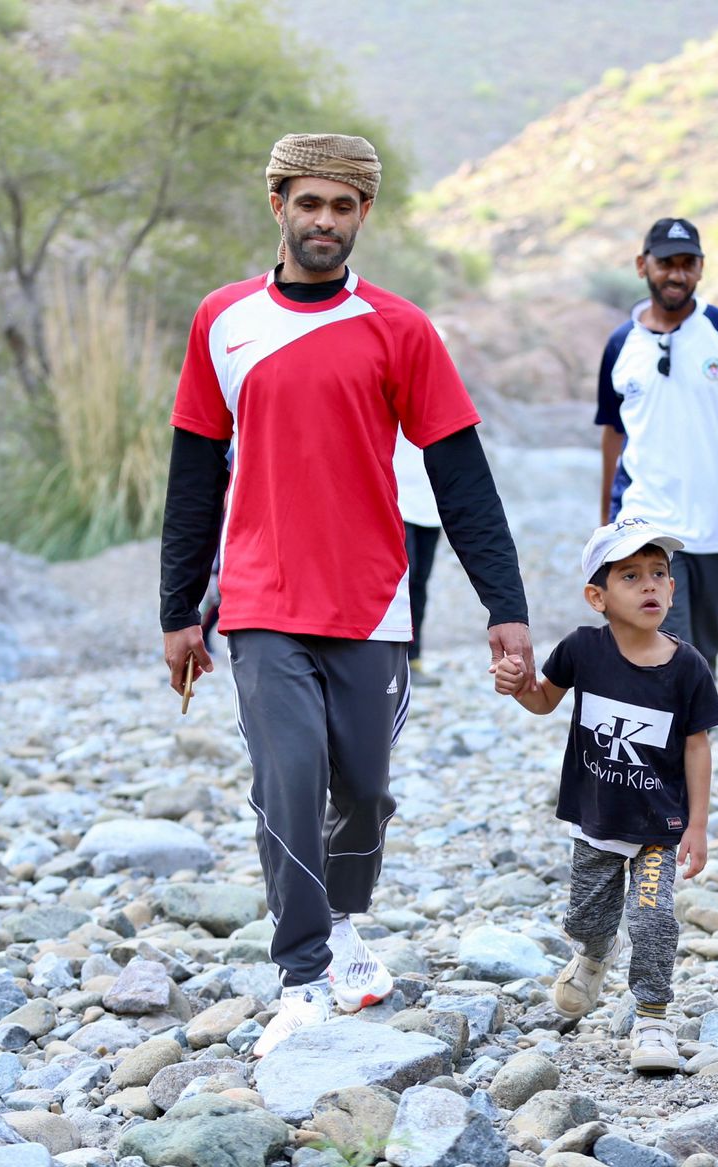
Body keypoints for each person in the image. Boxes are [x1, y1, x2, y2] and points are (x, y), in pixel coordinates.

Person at [159, 133, 533, 1057]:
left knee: (363, 791)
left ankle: (340, 923)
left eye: (342, 206)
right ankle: (301, 981)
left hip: (371, 601)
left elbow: (462, 478)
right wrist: (179, 610)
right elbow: (195, 474)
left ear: (364, 212)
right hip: (259, 598)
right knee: (289, 779)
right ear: (278, 205)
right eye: (309, 203)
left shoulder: (400, 329)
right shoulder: (223, 320)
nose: (324, 221)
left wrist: (505, 607)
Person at [491, 518, 718, 1073]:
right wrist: (517, 685)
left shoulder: (688, 667)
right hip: (596, 818)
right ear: (598, 596)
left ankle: (653, 1019)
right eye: (630, 576)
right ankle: (595, 954)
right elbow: (543, 700)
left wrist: (697, 825)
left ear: (672, 589)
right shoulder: (583, 649)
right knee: (587, 920)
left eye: (658, 574)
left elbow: (697, 748)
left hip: (660, 827)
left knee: (652, 920)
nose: (649, 585)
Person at [597, 217, 718, 673]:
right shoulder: (621, 344)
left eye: (687, 263)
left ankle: (694, 721)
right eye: (666, 263)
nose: (676, 274)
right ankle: (665, 721)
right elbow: (613, 435)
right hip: (646, 524)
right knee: (667, 648)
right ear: (642, 265)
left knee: (704, 653)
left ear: (700, 268)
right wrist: (606, 523)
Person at [395, 430, 443, 686]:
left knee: (419, 584)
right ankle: (392, 660)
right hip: (396, 501)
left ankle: (413, 659)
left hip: (429, 507)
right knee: (400, 581)